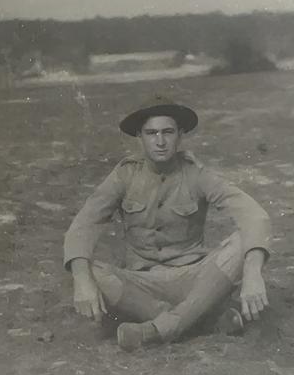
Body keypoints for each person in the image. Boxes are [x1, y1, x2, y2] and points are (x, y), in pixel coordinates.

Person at [64, 95, 271, 351]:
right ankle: (200, 320)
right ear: (140, 136)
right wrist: (82, 282)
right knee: (85, 268)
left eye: (167, 132)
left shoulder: (197, 174)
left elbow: (254, 214)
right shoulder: (125, 175)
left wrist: (252, 273)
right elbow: (84, 225)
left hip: (193, 278)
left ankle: (156, 329)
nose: (160, 141)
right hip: (141, 285)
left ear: (180, 135)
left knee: (242, 243)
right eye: (151, 133)